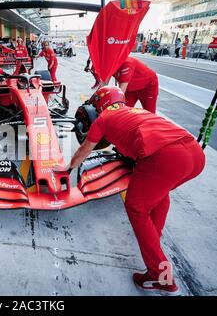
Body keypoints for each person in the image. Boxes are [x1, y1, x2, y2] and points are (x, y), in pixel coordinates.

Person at [65, 86, 205, 295]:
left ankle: (160, 277)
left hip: (167, 157)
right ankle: (152, 239)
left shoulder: (104, 119)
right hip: (194, 155)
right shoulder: (136, 111)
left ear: (100, 104)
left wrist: (67, 168)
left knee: (136, 207)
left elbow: (84, 150)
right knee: (159, 193)